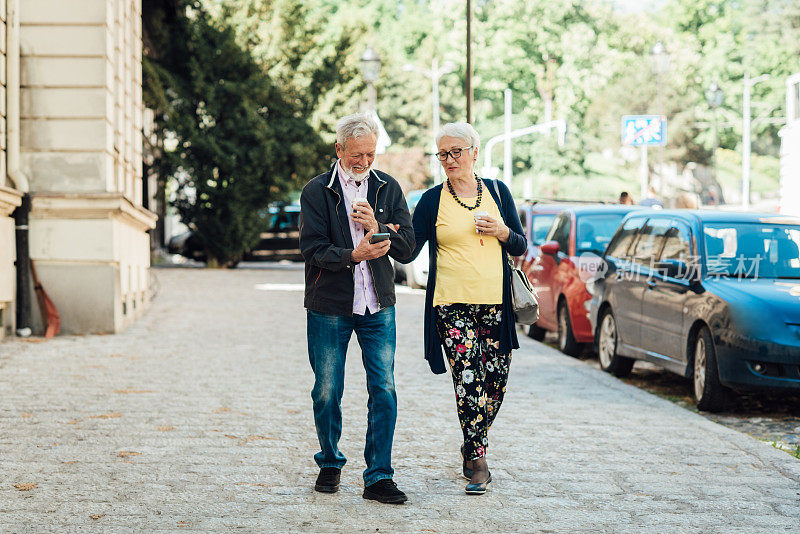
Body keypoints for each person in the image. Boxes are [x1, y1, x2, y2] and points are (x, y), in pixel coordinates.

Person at [401, 122, 526, 495]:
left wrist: (502, 231)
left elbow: (519, 245)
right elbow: (409, 251)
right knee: (468, 378)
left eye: (457, 152)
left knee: (496, 383)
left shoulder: (499, 193)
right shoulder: (431, 200)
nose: (450, 160)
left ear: (474, 151)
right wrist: (384, 232)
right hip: (450, 303)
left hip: (496, 304)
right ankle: (478, 462)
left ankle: (470, 442)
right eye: (443, 154)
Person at [299, 112, 414, 504]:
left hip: (377, 304)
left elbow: (408, 248)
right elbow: (312, 251)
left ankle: (379, 476)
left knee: (384, 387)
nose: (364, 162)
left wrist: (375, 227)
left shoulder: (387, 189)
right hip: (330, 304)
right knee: (327, 389)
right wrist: (353, 254)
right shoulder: (317, 191)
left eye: (370, 154)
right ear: (338, 149)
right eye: (356, 155)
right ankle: (330, 462)